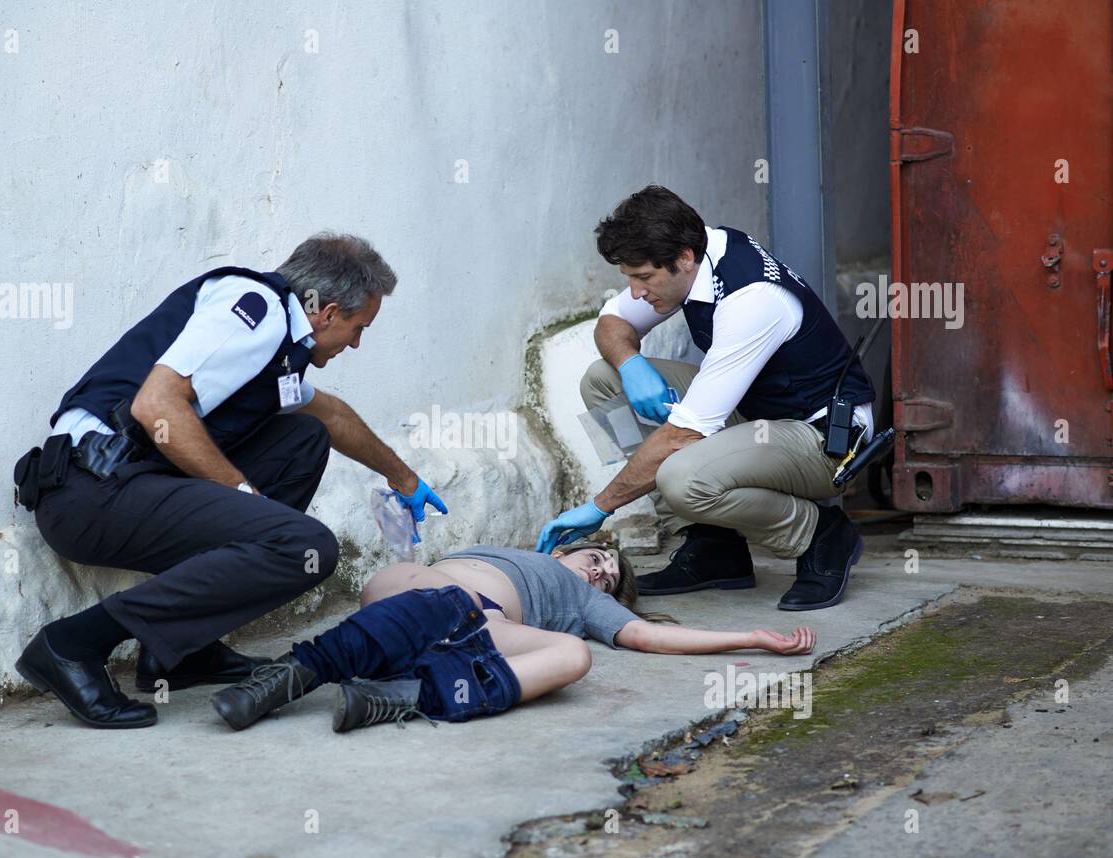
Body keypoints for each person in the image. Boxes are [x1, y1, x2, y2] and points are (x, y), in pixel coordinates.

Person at [11, 233, 448, 729]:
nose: (356, 342)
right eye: (356, 328)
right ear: (325, 312)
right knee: (305, 547)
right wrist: (243, 494)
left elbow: (330, 415)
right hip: (89, 491)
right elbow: (155, 405)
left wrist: (405, 479)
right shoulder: (256, 309)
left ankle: (179, 653)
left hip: (127, 483)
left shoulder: (282, 342)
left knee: (302, 438)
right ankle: (71, 645)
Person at [539, 186, 876, 611]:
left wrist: (598, 507)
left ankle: (819, 534)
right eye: (629, 277)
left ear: (683, 258)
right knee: (603, 380)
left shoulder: (751, 299)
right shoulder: (703, 252)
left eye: (644, 277)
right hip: (756, 415)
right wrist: (629, 363)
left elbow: (683, 436)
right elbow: (613, 321)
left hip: (825, 438)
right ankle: (712, 544)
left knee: (682, 476)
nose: (636, 291)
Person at [210, 540, 816, 733]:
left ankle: (400, 699)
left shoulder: (583, 603)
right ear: (568, 547)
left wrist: (751, 638)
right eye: (601, 556)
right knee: (444, 599)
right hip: (421, 591)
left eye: (611, 577)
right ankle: (297, 675)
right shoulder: (521, 550)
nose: (602, 569)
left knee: (574, 656)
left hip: (485, 631)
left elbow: (647, 637)